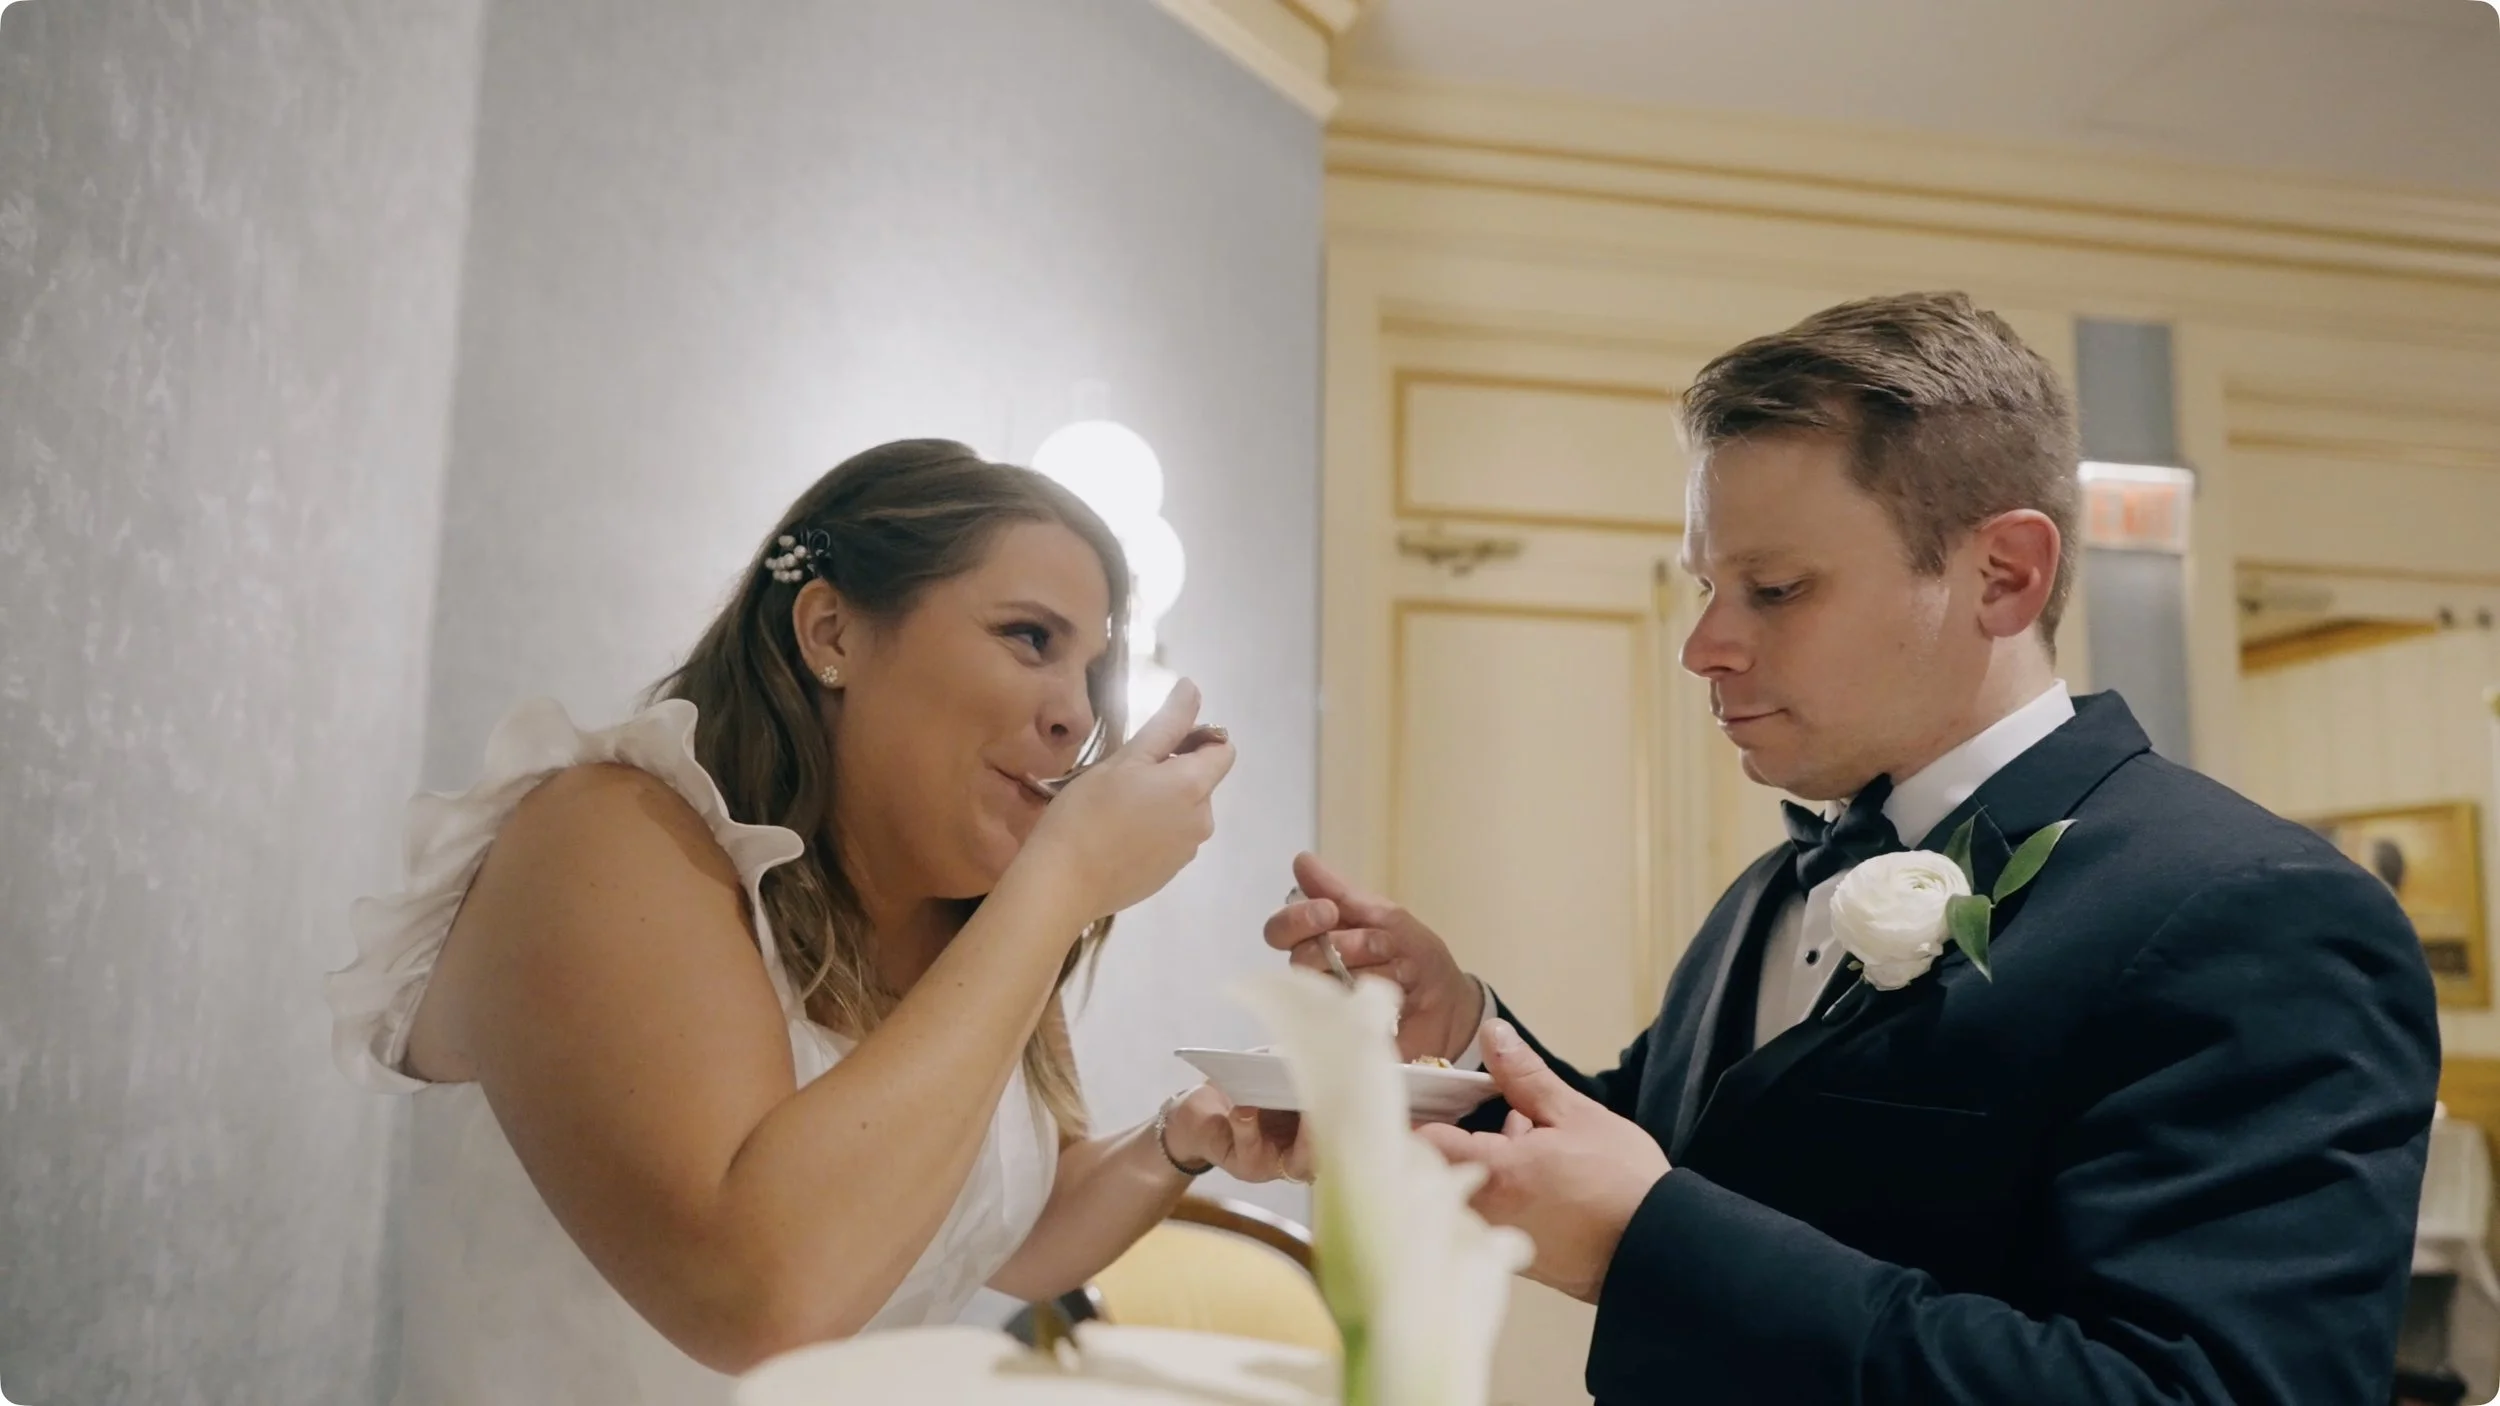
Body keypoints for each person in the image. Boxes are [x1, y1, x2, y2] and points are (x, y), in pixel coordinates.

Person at [1265, 293, 2440, 1404]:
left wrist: (1643, 1241)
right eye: (1707, 584)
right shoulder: (1773, 886)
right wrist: (1458, 1040)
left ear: (2002, 575)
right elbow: (1677, 1154)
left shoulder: (2254, 913)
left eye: (1774, 588)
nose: (1703, 645)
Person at [328, 439, 1306, 1405]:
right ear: (831, 632)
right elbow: (760, 1298)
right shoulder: (603, 838)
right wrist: (1065, 878)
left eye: (1092, 670)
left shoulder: (967, 927)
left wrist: (1185, 1135)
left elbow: (1012, 1226)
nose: (1078, 719)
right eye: (1029, 638)